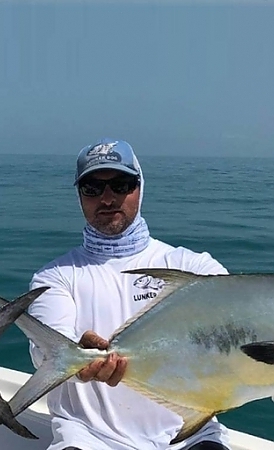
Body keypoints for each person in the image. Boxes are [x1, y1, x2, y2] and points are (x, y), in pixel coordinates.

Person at [28, 138, 230, 450]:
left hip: (191, 436)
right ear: (79, 195)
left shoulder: (194, 266)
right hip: (90, 439)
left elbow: (243, 326)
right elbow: (45, 353)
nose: (107, 198)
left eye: (121, 184)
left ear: (140, 187)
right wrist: (77, 358)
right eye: (92, 188)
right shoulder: (55, 277)